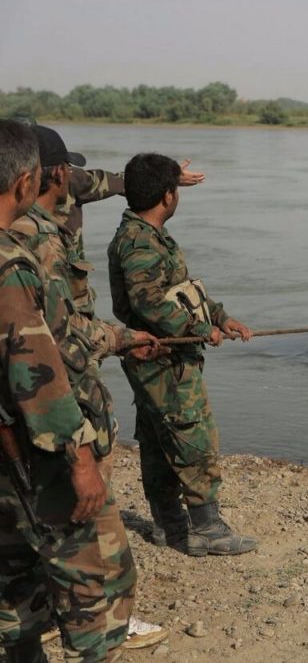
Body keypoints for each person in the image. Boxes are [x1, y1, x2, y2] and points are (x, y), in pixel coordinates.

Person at [0, 119, 137, 662]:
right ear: (26, 183)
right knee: (99, 577)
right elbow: (36, 374)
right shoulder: (10, 264)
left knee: (11, 573)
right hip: (33, 455)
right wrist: (80, 460)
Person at [108, 153, 258, 557]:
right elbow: (148, 301)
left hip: (159, 358)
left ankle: (168, 526)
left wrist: (220, 317)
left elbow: (183, 289)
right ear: (168, 197)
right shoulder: (139, 241)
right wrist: (198, 330)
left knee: (159, 440)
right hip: (162, 359)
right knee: (193, 437)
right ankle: (207, 528)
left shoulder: (147, 234)